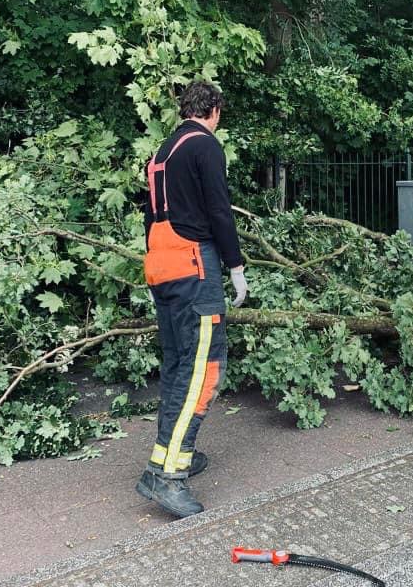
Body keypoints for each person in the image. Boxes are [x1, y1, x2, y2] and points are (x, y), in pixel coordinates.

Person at [136, 81, 248, 518]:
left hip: (160, 264)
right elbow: (218, 208)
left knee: (178, 364)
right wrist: (235, 266)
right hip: (193, 264)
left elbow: (150, 214)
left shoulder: (162, 151)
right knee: (204, 368)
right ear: (214, 109)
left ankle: (173, 454)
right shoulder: (205, 145)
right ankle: (165, 477)